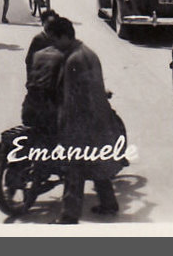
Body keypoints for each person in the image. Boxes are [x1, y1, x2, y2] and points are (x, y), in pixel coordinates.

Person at [50, 19, 124, 224]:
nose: (54, 45)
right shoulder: (88, 53)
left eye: (55, 40)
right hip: (99, 119)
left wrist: (65, 125)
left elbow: (71, 98)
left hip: (82, 122)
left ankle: (69, 215)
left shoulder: (73, 60)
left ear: (65, 36)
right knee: (97, 163)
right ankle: (109, 203)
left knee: (73, 169)